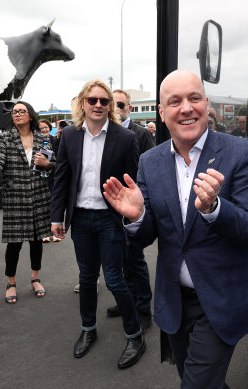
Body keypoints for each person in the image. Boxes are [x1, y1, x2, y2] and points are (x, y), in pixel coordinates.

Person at [102, 69, 248, 388]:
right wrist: (137, 217)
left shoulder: (241, 154)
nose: (186, 108)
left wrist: (216, 209)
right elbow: (148, 235)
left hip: (223, 298)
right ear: (162, 113)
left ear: (207, 104)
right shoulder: (150, 162)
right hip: (175, 300)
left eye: (194, 98)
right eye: (175, 101)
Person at [50, 79, 144, 369]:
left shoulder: (125, 139)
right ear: (83, 103)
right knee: (87, 278)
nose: (99, 105)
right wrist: (56, 216)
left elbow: (135, 184)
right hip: (80, 219)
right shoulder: (68, 136)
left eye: (105, 101)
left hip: (109, 219)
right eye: (93, 100)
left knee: (115, 279)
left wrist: (133, 218)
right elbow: (61, 178)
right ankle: (88, 329)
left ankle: (135, 335)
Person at [0, 101, 54, 303]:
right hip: (15, 196)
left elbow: (54, 164)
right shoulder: (5, 138)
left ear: (30, 115)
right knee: (14, 244)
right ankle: (11, 282)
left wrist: (48, 164)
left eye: (21, 111)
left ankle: (35, 278)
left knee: (36, 241)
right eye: (14, 112)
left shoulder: (43, 138)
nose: (16, 114)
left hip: (39, 195)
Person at [107, 89, 154, 331]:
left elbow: (148, 173)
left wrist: (140, 206)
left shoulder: (141, 134)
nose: (115, 108)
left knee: (135, 260)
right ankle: (127, 302)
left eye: (121, 104)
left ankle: (144, 308)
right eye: (110, 103)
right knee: (118, 260)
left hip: (132, 209)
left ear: (130, 109)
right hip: (111, 209)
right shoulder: (103, 133)